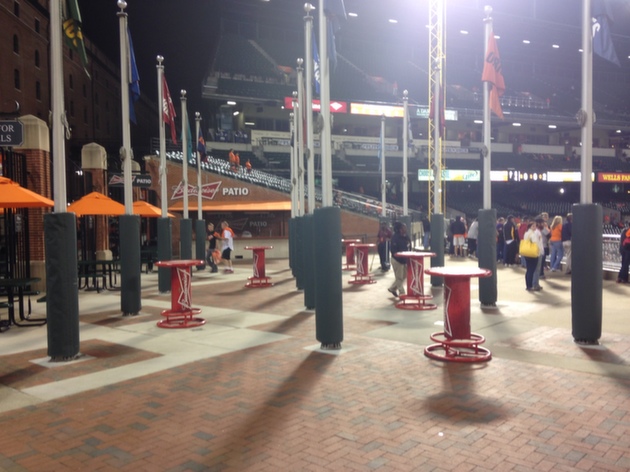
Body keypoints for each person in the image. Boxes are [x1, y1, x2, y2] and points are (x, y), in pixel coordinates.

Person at [388, 222, 411, 298]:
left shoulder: (406, 237)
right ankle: (402, 293)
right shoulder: (395, 238)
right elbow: (393, 251)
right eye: (404, 227)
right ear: (400, 229)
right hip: (397, 260)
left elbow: (409, 246)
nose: (406, 229)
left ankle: (392, 288)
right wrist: (399, 256)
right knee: (399, 277)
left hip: (404, 260)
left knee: (404, 276)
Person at [523, 219, 544, 291]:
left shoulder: (526, 233)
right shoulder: (533, 234)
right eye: (533, 226)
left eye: (535, 226)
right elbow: (537, 244)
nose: (535, 227)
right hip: (533, 253)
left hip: (526, 253)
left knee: (528, 270)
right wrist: (539, 252)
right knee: (533, 270)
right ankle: (531, 285)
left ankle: (528, 285)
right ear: (530, 227)